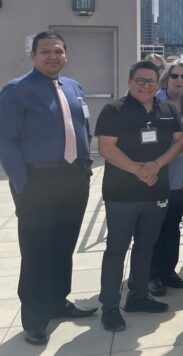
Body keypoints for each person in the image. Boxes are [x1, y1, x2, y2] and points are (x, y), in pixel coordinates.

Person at [0, 31, 96, 345]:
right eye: (45, 52)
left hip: (74, 179)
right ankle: (35, 319)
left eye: (58, 51)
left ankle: (58, 301)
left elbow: (83, 126)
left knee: (63, 246)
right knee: (36, 251)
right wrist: (21, 183)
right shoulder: (16, 91)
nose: (52, 57)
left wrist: (85, 168)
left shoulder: (74, 87)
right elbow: (6, 141)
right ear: (33, 55)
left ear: (66, 55)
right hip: (37, 181)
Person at [96, 60, 183, 331]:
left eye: (151, 81)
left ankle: (138, 296)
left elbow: (181, 141)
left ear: (158, 83)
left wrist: (156, 166)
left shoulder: (168, 109)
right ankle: (110, 306)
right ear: (129, 82)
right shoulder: (114, 110)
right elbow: (106, 148)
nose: (146, 85)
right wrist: (139, 170)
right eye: (140, 80)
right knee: (116, 249)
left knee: (146, 246)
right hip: (122, 194)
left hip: (156, 191)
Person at [149, 61, 183, 297]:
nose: (179, 80)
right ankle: (152, 276)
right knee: (153, 229)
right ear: (165, 79)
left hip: (181, 177)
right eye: (174, 76)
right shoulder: (153, 102)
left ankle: (169, 272)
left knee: (172, 227)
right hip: (155, 178)